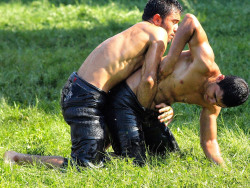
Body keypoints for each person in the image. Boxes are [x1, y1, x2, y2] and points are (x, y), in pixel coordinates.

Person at [3, 0, 183, 168]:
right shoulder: (157, 33)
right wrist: (149, 113)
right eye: (174, 22)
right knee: (85, 165)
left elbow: (139, 86)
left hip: (88, 93)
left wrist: (164, 106)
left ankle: (95, 154)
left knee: (108, 160)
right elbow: (149, 80)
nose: (176, 29)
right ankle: (17, 157)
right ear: (158, 19)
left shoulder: (139, 34)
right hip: (85, 98)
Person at [105, 13, 249, 166]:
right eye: (214, 95)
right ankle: (95, 158)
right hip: (128, 99)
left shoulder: (212, 106)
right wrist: (172, 57)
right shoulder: (204, 63)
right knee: (134, 161)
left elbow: (209, 141)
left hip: (150, 112)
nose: (211, 101)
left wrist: (223, 166)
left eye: (217, 103)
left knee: (169, 155)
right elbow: (190, 20)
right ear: (220, 78)